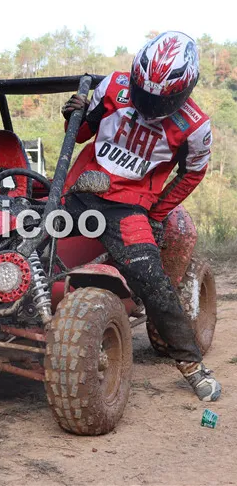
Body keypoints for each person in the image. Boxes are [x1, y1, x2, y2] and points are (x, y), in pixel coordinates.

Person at [61, 31, 221, 402]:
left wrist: (158, 212)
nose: (147, 102)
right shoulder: (112, 86)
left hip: (129, 208)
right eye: (143, 92)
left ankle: (192, 365)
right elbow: (83, 133)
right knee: (28, 246)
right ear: (135, 76)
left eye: (157, 98)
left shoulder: (195, 126)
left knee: (155, 283)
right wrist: (74, 116)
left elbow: (193, 173)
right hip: (79, 190)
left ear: (183, 91)